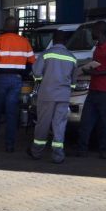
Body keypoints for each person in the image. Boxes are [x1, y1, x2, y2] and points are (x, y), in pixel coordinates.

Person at [0, 16, 36, 152]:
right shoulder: (24, 42)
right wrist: (23, 73)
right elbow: (32, 62)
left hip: (0, 79)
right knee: (12, 113)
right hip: (16, 80)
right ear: (16, 27)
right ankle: (10, 145)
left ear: (6, 27)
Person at [28, 29, 78, 163]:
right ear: (65, 41)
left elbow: (37, 73)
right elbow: (73, 82)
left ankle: (36, 152)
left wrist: (41, 79)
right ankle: (58, 155)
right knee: (60, 124)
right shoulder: (72, 57)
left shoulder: (46, 55)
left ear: (54, 40)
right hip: (63, 96)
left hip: (47, 95)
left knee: (43, 123)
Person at [75, 21, 106, 158]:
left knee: (104, 124)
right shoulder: (98, 47)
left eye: (93, 30)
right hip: (94, 90)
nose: (91, 33)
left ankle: (104, 151)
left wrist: (96, 73)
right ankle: (82, 150)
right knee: (86, 122)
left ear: (99, 31)